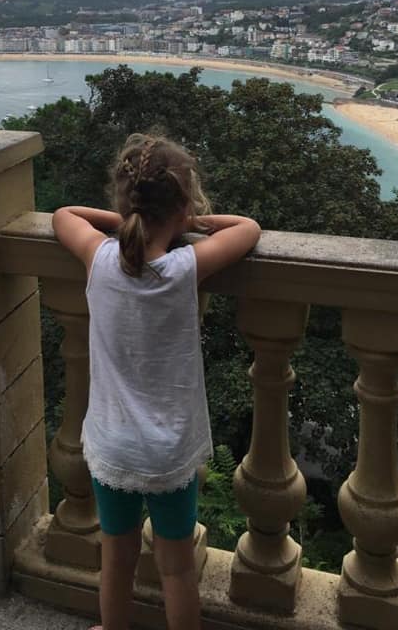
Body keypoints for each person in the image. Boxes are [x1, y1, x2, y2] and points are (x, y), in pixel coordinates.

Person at [52, 132, 261, 630]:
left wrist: (123, 221)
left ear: (126, 202)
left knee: (116, 557)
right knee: (177, 568)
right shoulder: (184, 268)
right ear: (183, 205)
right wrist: (192, 223)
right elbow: (248, 229)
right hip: (168, 450)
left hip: (112, 445)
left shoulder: (99, 260)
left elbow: (64, 216)